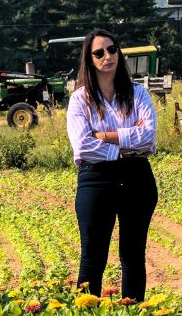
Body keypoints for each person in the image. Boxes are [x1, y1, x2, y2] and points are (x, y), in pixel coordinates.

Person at [67, 28, 158, 300]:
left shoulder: (138, 94)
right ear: (89, 59)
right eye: (99, 52)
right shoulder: (79, 100)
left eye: (112, 49)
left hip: (137, 177)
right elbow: (82, 145)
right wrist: (125, 146)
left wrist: (104, 137)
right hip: (96, 179)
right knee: (92, 258)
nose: (108, 56)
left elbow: (149, 136)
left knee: (133, 255)